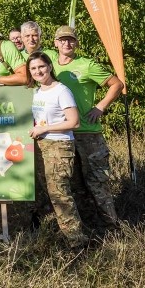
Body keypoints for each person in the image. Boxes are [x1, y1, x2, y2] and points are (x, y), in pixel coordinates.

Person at [52, 25, 124, 232]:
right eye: (62, 40)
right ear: (55, 43)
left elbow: (116, 84)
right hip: (63, 134)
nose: (67, 43)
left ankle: (111, 228)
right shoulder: (49, 64)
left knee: (97, 182)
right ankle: (89, 227)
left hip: (88, 133)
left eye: (71, 40)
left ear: (76, 43)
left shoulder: (87, 64)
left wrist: (100, 107)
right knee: (74, 185)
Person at [27, 52, 88, 248]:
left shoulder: (61, 90)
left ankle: (77, 241)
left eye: (41, 67)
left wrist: (45, 128)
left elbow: (74, 122)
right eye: (33, 68)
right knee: (47, 192)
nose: (38, 71)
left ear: (50, 67)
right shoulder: (36, 92)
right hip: (41, 145)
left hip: (59, 146)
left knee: (60, 193)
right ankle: (55, 233)